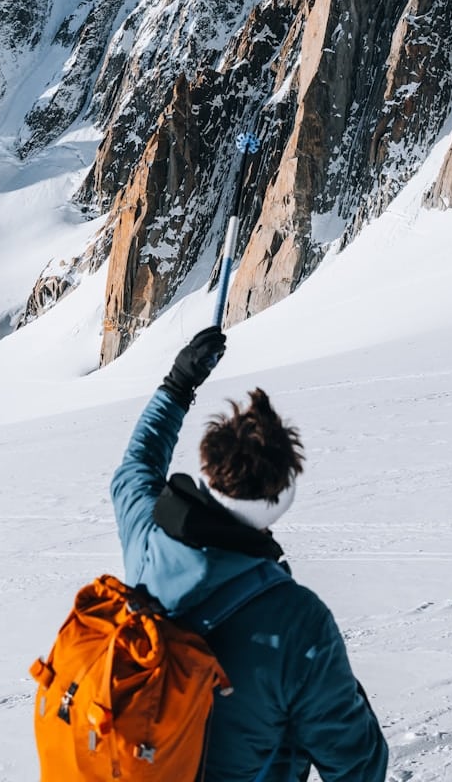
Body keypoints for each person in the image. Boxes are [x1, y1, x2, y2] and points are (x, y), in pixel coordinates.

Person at [110, 326, 389, 782]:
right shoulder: (299, 622)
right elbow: (357, 766)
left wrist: (178, 384)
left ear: (206, 470)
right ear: (281, 500)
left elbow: (135, 467)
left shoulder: (147, 539)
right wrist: (333, 677)